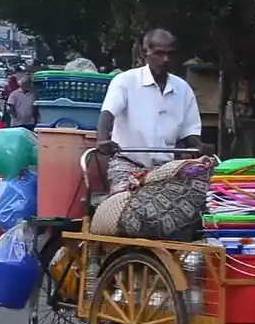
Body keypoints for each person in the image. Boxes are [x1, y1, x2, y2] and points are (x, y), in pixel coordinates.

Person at [85, 29, 203, 200]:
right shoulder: (125, 81)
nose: (165, 60)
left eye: (170, 54)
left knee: (195, 199)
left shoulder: (182, 89)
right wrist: (102, 139)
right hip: (127, 165)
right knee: (125, 204)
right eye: (159, 53)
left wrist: (198, 146)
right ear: (144, 52)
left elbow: (190, 132)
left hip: (167, 168)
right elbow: (108, 113)